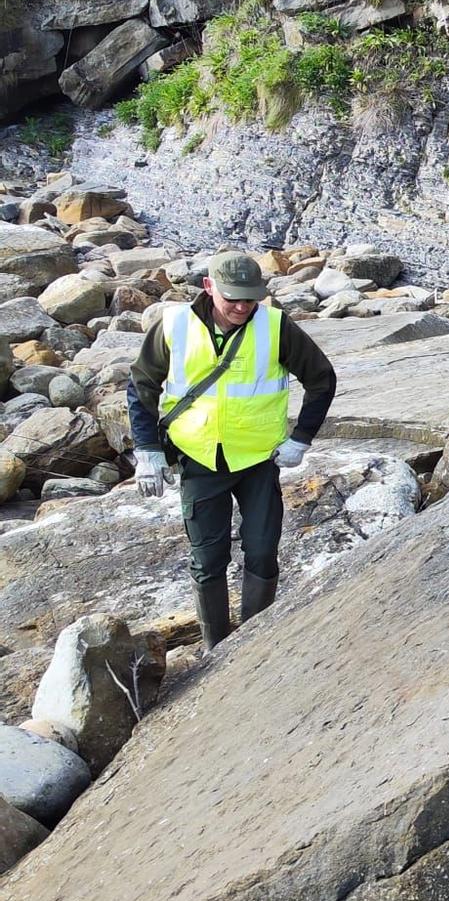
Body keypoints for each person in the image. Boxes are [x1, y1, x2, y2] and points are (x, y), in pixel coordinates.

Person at [127, 250, 338, 650]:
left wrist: (301, 438)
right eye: (233, 298)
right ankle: (215, 647)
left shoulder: (276, 327)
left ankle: (253, 645)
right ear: (209, 288)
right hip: (199, 459)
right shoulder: (173, 325)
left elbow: (322, 379)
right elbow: (141, 388)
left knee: (261, 550)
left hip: (258, 461)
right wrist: (148, 451)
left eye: (250, 298)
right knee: (208, 559)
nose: (242, 306)